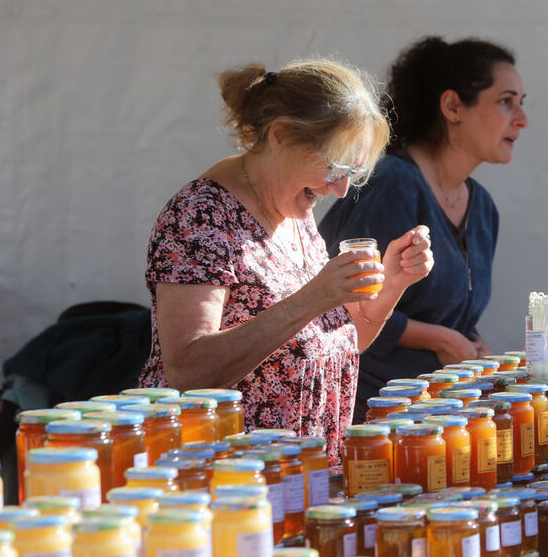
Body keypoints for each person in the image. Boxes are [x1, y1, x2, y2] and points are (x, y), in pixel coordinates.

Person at [139, 59, 434, 460]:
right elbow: (189, 372)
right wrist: (313, 297)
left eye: (354, 172)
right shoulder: (200, 215)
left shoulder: (293, 210)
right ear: (281, 135)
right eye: (334, 166)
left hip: (298, 475)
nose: (342, 189)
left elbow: (333, 343)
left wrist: (393, 283)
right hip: (225, 478)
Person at [319, 36, 528, 418]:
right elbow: (341, 303)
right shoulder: (393, 184)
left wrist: (471, 343)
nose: (521, 119)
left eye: (520, 103)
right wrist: (443, 339)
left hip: (435, 413)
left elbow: (453, 312)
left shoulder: (482, 207)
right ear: (452, 106)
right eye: (505, 101)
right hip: (370, 414)